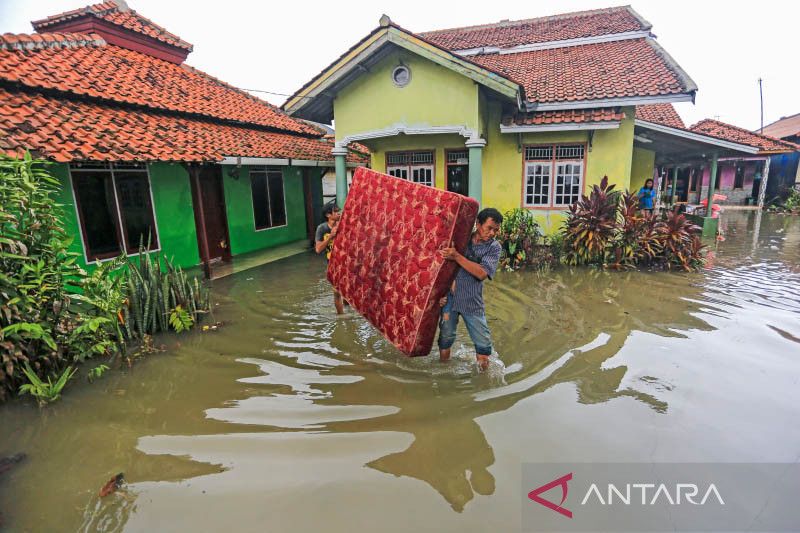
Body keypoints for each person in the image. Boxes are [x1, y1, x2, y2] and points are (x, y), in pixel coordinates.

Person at [438, 207, 503, 371]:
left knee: (483, 346)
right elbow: (440, 264)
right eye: (489, 228)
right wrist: (438, 293)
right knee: (446, 337)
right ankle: (444, 370)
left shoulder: (494, 247)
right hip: (450, 298)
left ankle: (483, 379)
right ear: (478, 224)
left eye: (496, 230)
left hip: (472, 300)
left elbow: (481, 273)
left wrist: (457, 256)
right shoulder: (461, 238)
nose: (492, 233)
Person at [315, 201, 344, 314]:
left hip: (345, 263)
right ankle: (341, 317)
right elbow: (318, 249)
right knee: (336, 292)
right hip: (333, 265)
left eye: (339, 211)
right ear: (328, 215)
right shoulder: (322, 229)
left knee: (347, 292)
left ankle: (347, 306)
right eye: (336, 211)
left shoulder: (344, 224)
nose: (339, 213)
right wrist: (330, 237)